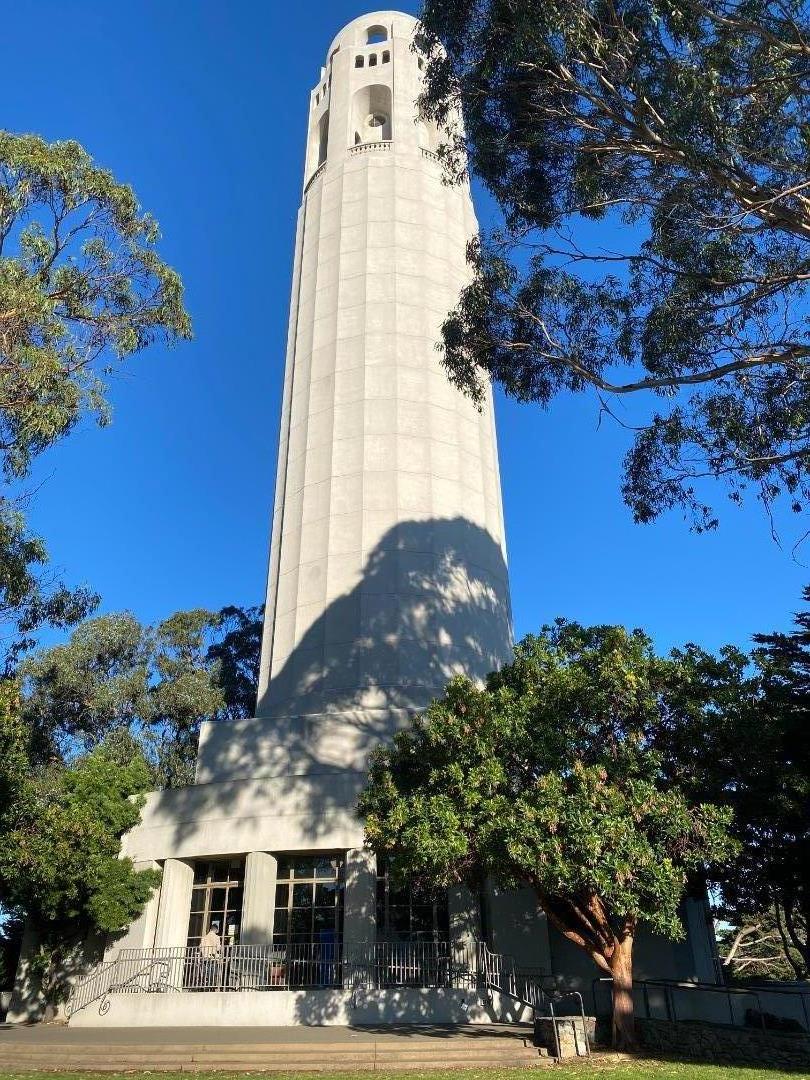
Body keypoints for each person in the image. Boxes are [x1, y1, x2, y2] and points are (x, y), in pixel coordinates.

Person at [199, 921, 222, 989]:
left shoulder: (204, 937)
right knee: (213, 972)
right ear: (216, 930)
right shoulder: (217, 937)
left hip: (205, 957)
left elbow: (200, 947)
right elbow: (218, 948)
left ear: (210, 930)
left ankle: (206, 986)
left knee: (206, 972)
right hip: (212, 957)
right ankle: (211, 986)